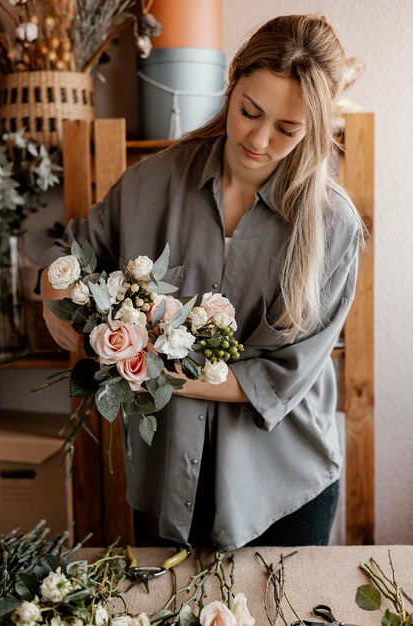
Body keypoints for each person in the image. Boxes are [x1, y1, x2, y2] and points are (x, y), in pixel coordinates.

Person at [40, 14, 364, 550]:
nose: (258, 141)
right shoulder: (151, 181)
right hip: (167, 480)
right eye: (249, 112)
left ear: (317, 125)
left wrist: (137, 368)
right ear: (232, 78)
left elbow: (277, 380)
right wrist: (67, 319)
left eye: (287, 130)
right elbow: (62, 260)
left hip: (281, 488)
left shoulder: (334, 225)